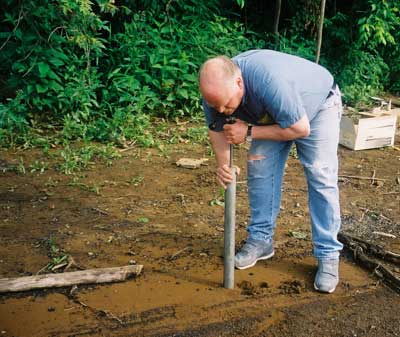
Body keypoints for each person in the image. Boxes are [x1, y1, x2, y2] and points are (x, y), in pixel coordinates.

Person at [199, 49, 343, 293]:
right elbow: (217, 130)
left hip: (316, 109)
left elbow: (300, 128)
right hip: (274, 115)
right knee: (259, 167)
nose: (223, 110)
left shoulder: (268, 81)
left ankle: (328, 254)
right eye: (216, 105)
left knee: (321, 175)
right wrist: (224, 166)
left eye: (227, 104)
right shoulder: (215, 94)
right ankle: (261, 240)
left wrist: (249, 133)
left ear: (239, 82)